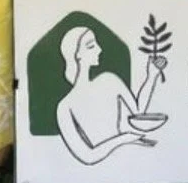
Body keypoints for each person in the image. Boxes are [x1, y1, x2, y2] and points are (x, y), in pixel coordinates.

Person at [55, 26, 165, 164]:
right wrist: (124, 138)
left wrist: (152, 76)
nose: (99, 49)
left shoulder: (109, 80)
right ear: (77, 55)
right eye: (91, 46)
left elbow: (138, 112)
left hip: (128, 159)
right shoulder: (65, 107)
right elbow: (88, 157)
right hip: (102, 169)